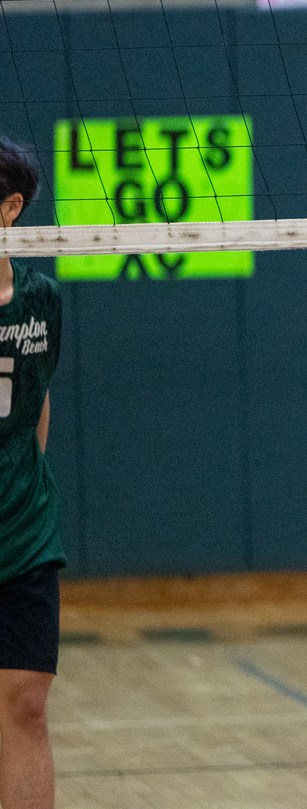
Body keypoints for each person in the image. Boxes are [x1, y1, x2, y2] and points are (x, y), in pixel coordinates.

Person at [0, 137, 63, 809]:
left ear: (10, 207)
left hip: (22, 530)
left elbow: (37, 404)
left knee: (25, 705)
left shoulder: (40, 300)